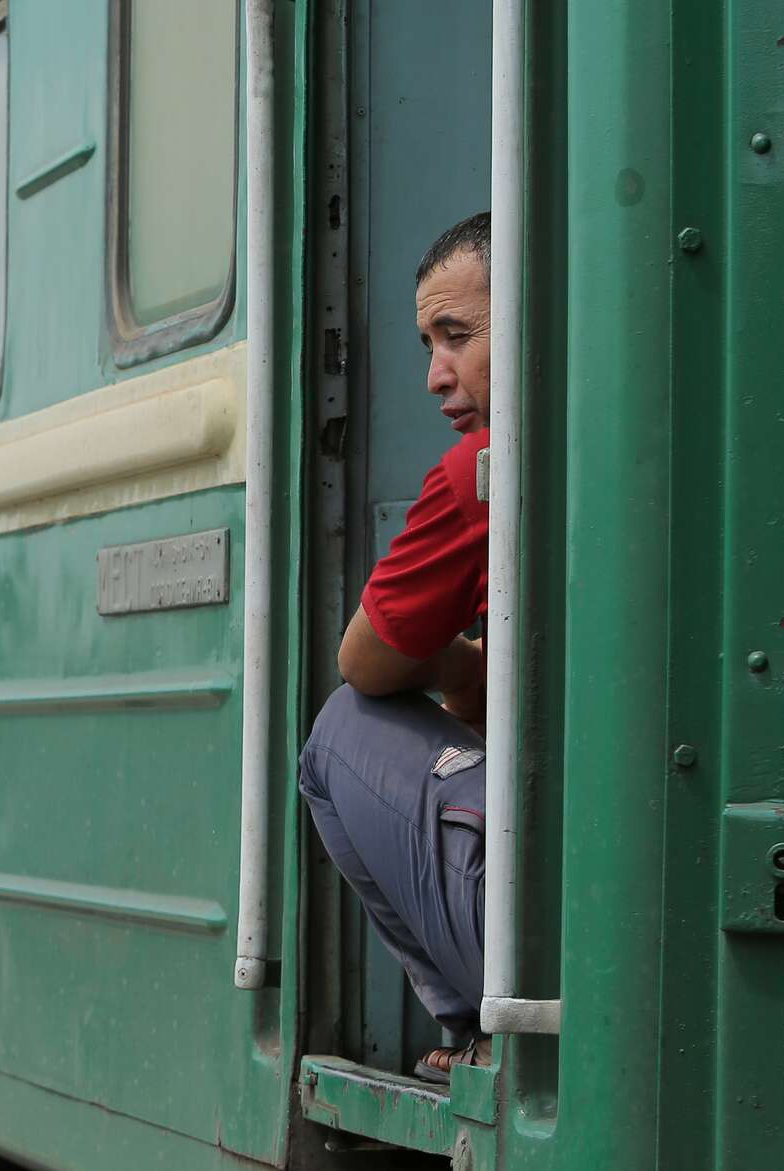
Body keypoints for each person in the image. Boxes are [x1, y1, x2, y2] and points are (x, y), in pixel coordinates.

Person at [296, 212, 493, 1084]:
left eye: (457, 336)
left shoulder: (480, 470)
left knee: (336, 734)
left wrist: (451, 660)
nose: (433, 375)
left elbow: (366, 664)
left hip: (539, 924)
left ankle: (473, 1022)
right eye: (427, 342)